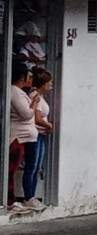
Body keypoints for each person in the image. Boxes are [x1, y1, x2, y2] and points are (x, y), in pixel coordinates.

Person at [8, 62, 41, 214]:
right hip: (17, 137)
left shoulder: (20, 92)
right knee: (10, 170)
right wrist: (34, 102)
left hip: (24, 137)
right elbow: (26, 114)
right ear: (22, 77)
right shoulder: (14, 91)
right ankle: (9, 201)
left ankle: (12, 199)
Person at [25, 68, 54, 212]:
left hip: (41, 135)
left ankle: (32, 196)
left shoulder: (40, 97)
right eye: (49, 82)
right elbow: (35, 118)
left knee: (36, 167)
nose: (51, 84)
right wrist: (48, 124)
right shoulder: (35, 97)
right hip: (35, 135)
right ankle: (28, 196)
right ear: (43, 84)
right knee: (32, 166)